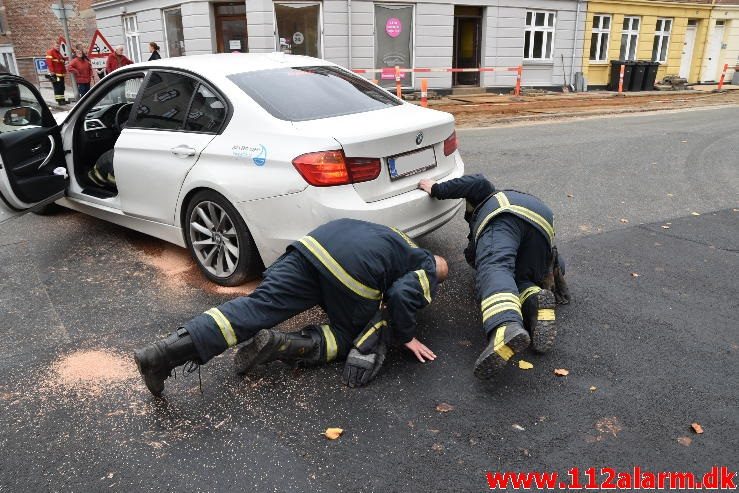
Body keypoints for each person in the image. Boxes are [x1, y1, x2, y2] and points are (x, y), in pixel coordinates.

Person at [134, 218, 449, 396]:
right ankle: (284, 345)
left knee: (254, 308)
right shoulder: (427, 265)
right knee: (354, 333)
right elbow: (402, 294)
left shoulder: (394, 234)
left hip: (310, 250)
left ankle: (161, 354)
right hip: (352, 273)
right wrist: (406, 335)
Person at [419, 174, 569, 379]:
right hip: (543, 229)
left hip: (505, 215)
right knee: (517, 279)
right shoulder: (514, 200)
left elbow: (476, 182)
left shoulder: (488, 196)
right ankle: (535, 302)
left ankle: (504, 326)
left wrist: (436, 188)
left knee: (494, 267)